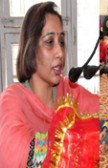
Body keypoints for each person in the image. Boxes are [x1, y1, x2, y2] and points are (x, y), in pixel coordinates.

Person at [0, 2, 99, 167]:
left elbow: (103, 109)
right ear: (31, 47)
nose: (60, 52)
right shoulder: (13, 98)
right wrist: (72, 139)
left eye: (61, 42)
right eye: (49, 42)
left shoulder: (69, 89)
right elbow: (23, 155)